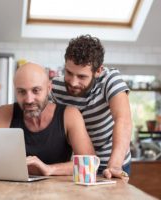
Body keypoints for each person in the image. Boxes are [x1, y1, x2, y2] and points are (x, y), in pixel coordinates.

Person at [0, 62, 95, 176]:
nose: (29, 100)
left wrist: (49, 169)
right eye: (22, 91)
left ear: (49, 88)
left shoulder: (69, 115)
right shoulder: (3, 113)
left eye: (36, 90)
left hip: (58, 191)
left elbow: (89, 164)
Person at [51, 34, 132, 179]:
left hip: (112, 161)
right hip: (80, 163)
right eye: (69, 73)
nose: (73, 82)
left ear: (98, 71)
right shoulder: (56, 87)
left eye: (82, 76)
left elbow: (123, 120)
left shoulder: (110, 80)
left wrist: (114, 166)